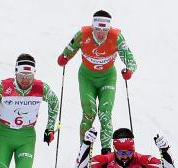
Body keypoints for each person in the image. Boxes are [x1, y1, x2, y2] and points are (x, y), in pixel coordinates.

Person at [58, 10, 137, 154]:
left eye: (105, 30)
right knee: (89, 112)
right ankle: (84, 152)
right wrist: (64, 58)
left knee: (105, 113)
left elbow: (131, 60)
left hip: (108, 78)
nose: (101, 34)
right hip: (87, 78)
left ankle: (106, 153)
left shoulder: (116, 37)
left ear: (109, 29)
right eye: (98, 29)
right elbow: (68, 50)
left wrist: (129, 70)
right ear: (92, 27)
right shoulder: (82, 34)